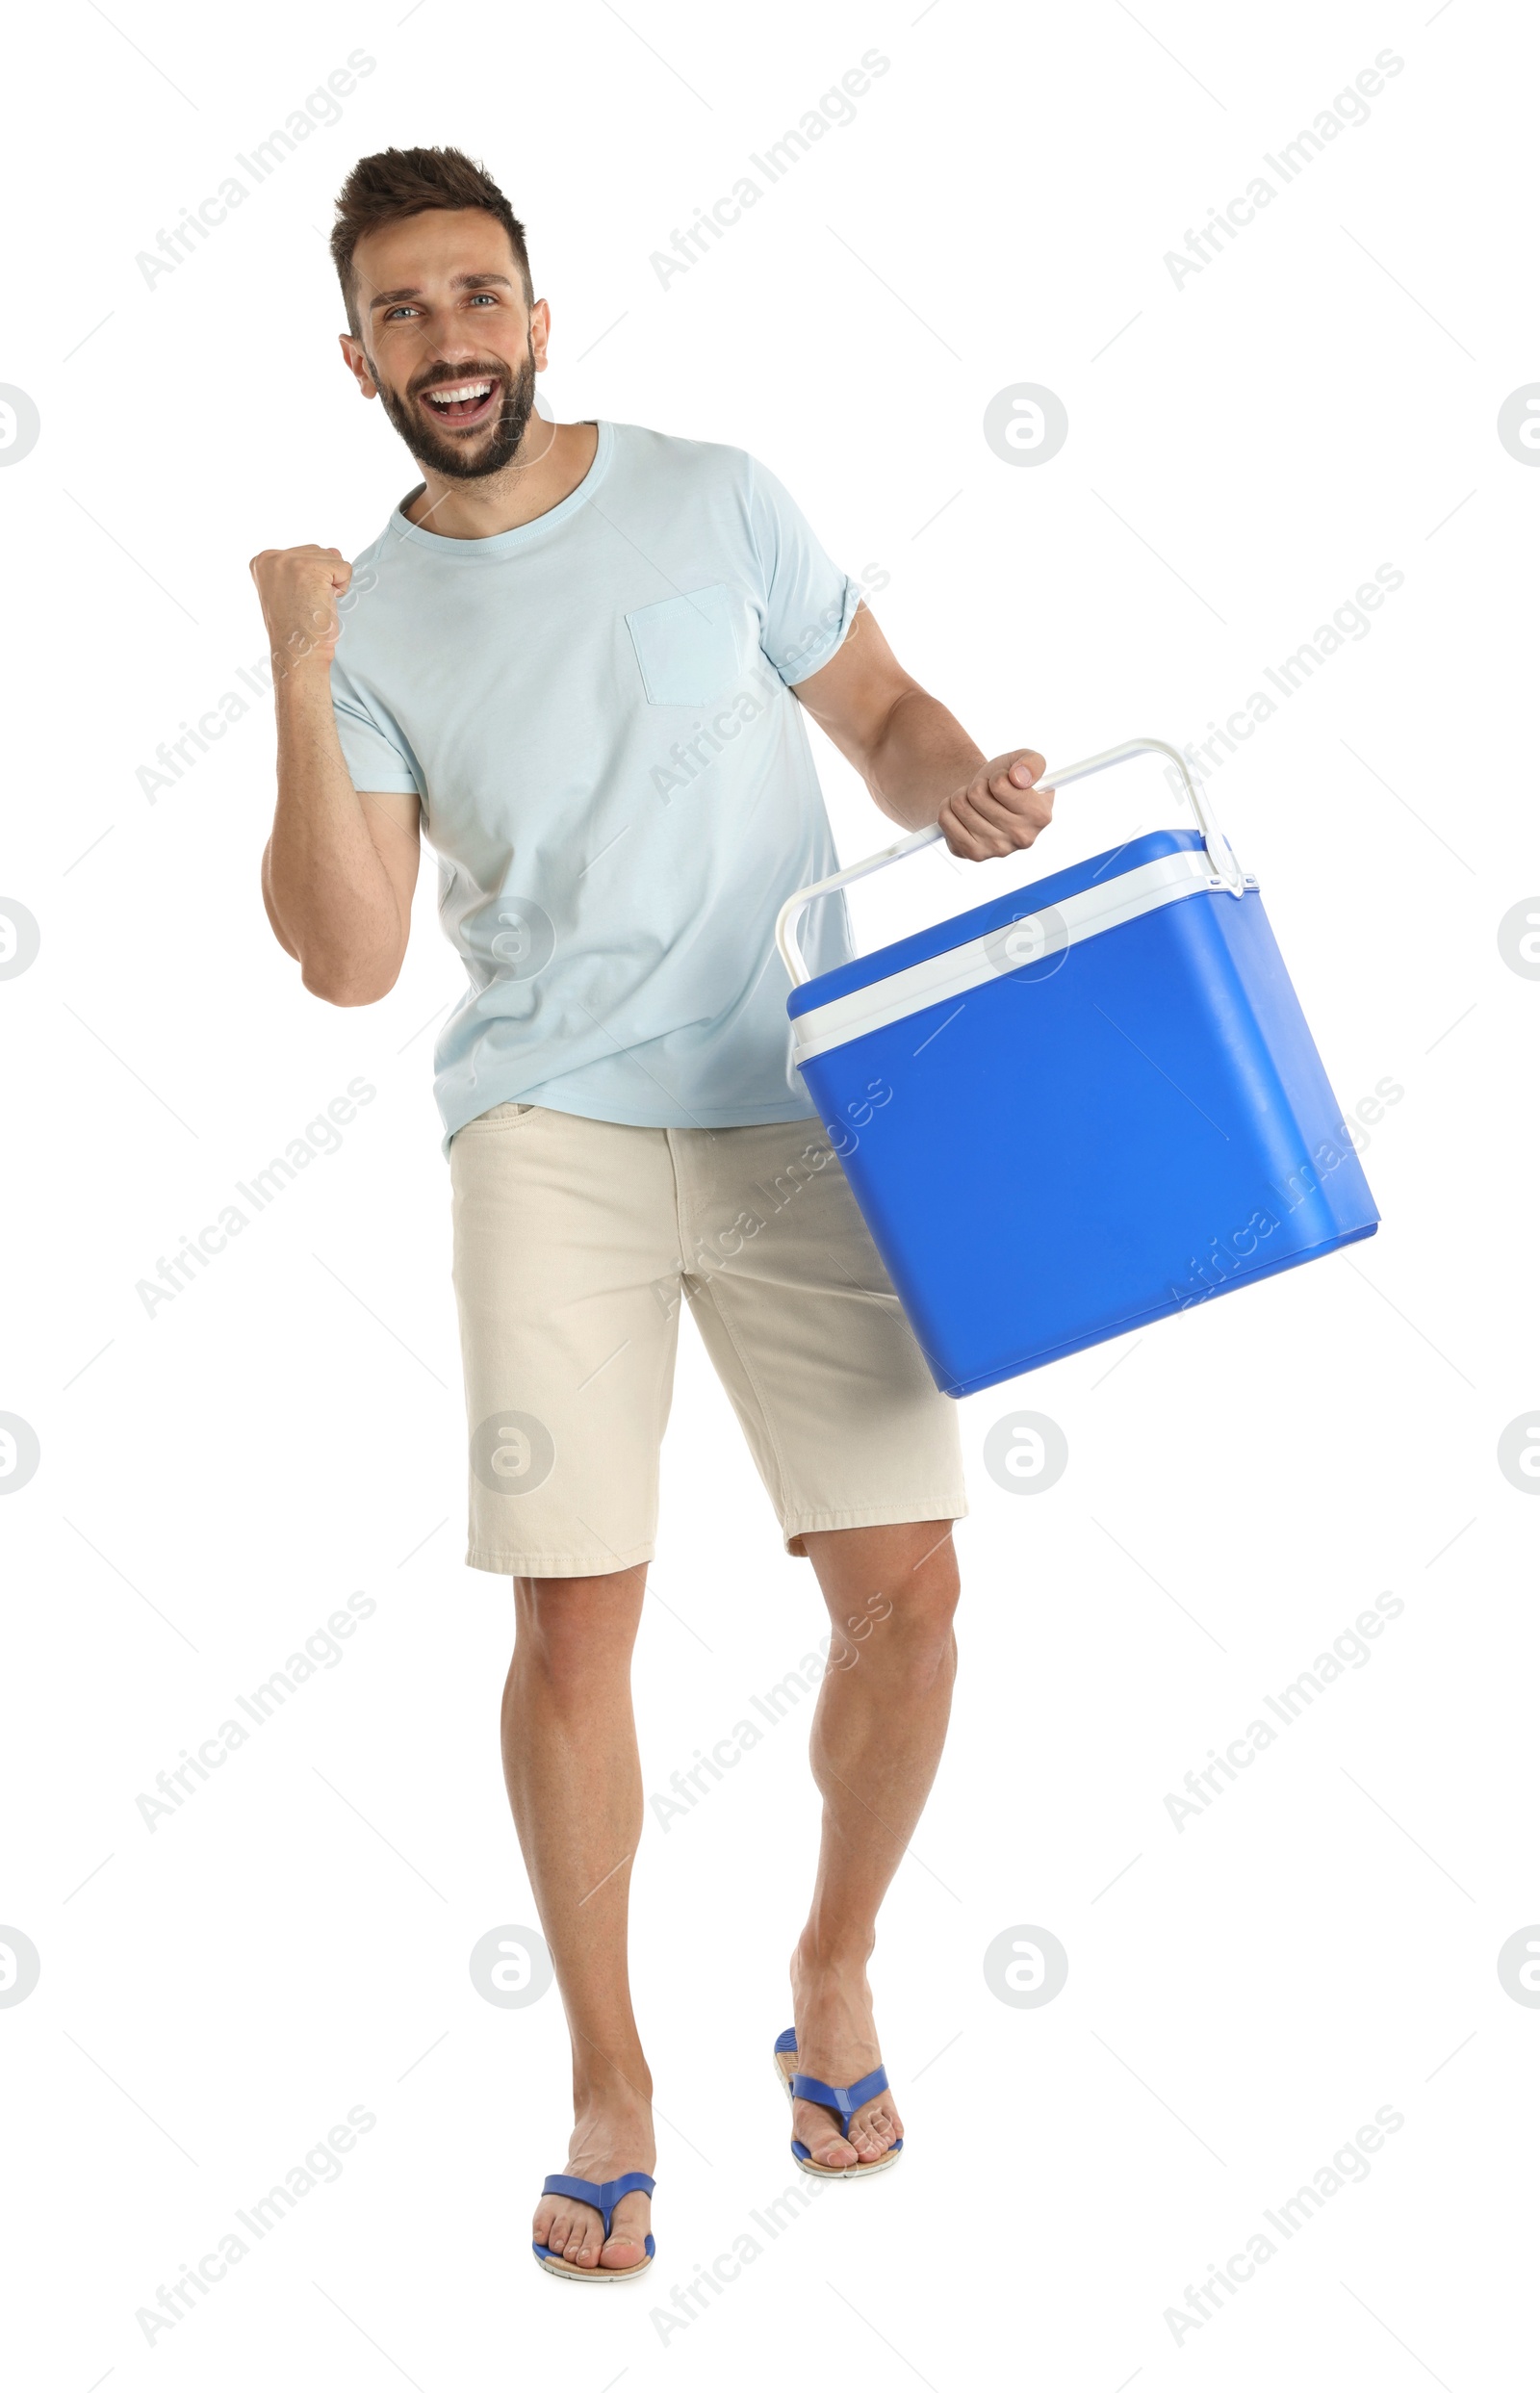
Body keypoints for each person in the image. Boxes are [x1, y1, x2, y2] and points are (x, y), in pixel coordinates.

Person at [251, 144, 1054, 2281]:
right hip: (551, 1133)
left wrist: (955, 789)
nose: (449, 338)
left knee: (910, 1595)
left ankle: (830, 1973)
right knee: (568, 1624)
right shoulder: (369, 614)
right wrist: (291, 661)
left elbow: (877, 714)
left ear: (536, 310)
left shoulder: (712, 493)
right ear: (356, 357)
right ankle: (609, 2081)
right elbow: (342, 957)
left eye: (476, 295)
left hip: (797, 1098)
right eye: (403, 312)